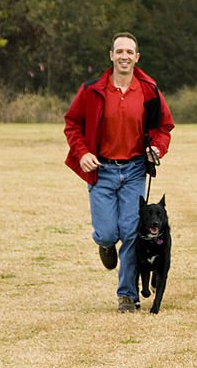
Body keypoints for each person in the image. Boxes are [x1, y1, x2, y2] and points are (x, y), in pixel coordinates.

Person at [64, 32, 174, 312]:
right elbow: (72, 124)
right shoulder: (92, 90)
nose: (124, 56)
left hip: (135, 169)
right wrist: (83, 153)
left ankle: (127, 295)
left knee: (132, 232)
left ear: (137, 57)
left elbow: (164, 127)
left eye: (130, 52)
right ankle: (104, 244)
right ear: (111, 55)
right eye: (119, 51)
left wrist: (157, 149)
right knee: (107, 233)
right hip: (101, 169)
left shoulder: (149, 89)